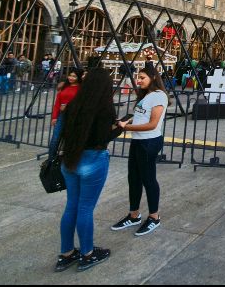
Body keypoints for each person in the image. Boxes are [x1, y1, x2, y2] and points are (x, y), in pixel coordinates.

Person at [55, 68, 121, 272]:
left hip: (70, 160)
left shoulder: (73, 104)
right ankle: (87, 254)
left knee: (71, 206)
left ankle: (66, 253)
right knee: (85, 209)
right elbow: (102, 138)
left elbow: (61, 133)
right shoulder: (105, 109)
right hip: (92, 160)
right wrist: (120, 128)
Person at [112, 64, 168, 236]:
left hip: (149, 142)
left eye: (143, 77)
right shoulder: (146, 96)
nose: (139, 80)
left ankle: (154, 217)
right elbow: (141, 117)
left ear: (153, 78)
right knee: (134, 178)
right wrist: (128, 122)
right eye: (138, 77)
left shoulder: (159, 96)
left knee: (148, 179)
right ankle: (134, 215)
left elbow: (152, 124)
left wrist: (126, 128)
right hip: (137, 141)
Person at [49, 68, 83, 161]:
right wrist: (54, 117)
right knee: (55, 138)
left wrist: (67, 106)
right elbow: (57, 103)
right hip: (62, 114)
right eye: (70, 75)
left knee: (70, 138)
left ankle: (68, 159)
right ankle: (51, 159)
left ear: (78, 77)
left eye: (74, 76)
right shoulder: (64, 86)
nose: (71, 78)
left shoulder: (81, 88)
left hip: (74, 115)